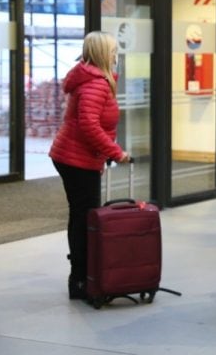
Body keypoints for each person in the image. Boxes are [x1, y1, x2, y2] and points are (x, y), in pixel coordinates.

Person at [49, 31, 130, 300]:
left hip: (76, 156)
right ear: (101, 54)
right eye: (111, 50)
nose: (115, 54)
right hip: (76, 159)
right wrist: (115, 152)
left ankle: (82, 278)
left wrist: (106, 150)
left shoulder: (93, 79)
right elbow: (88, 125)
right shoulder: (95, 83)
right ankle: (81, 280)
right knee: (85, 219)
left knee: (81, 216)